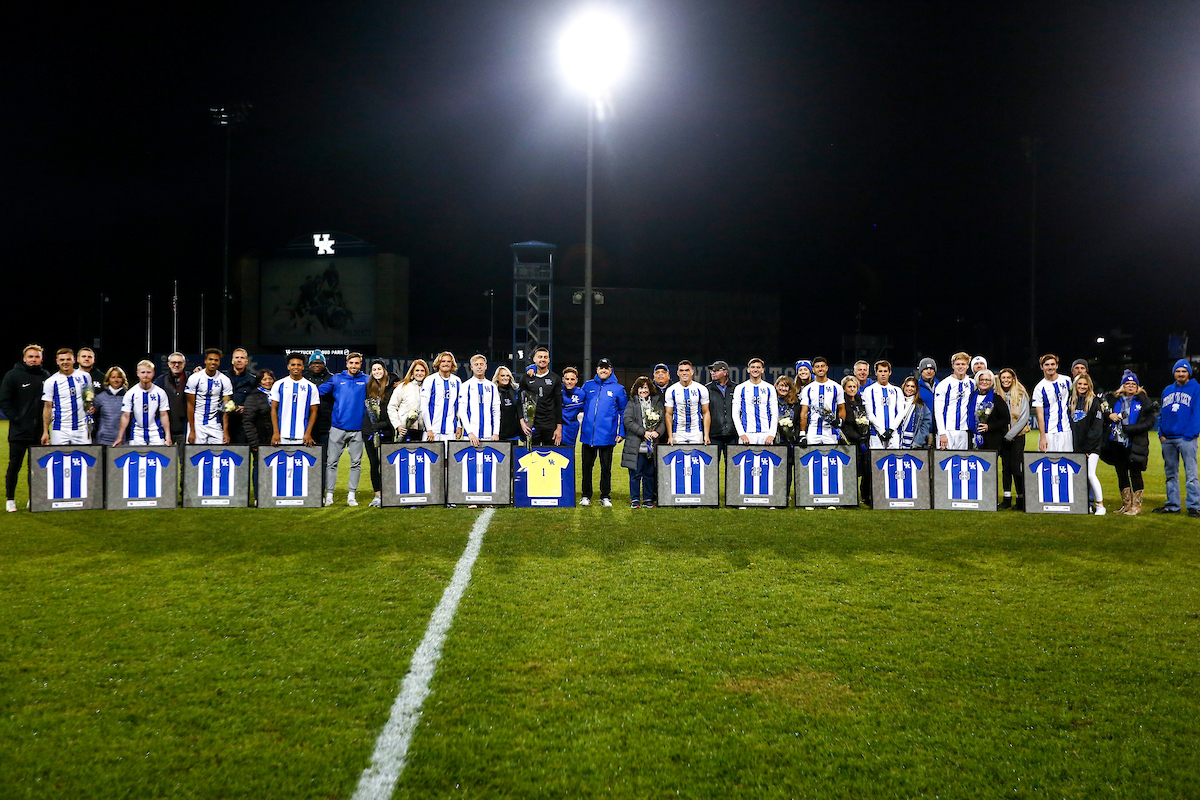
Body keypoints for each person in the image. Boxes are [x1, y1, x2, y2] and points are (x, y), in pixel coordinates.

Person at [0, 344, 49, 512]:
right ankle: (10, 499)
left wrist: (44, 427)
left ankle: (32, 499)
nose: (34, 360)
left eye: (37, 357)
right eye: (31, 357)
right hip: (19, 431)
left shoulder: (46, 376)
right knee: (14, 465)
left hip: (39, 432)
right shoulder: (12, 376)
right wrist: (17, 418)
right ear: (24, 358)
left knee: (35, 468)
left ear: (41, 358)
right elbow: (5, 401)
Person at [1101, 370, 1157, 516]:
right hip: (1116, 442)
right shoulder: (1114, 400)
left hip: (1135, 443)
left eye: (1133, 384)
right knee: (1121, 473)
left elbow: (1150, 422)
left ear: (1137, 386)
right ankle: (1126, 505)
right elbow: (1104, 414)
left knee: (1135, 473)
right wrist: (1109, 415)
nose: (1130, 386)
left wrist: (1129, 429)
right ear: (1122, 386)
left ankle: (1136, 507)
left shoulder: (1144, 401)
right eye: (1127, 383)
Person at [319, 351, 369, 507]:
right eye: (351, 363)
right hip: (337, 427)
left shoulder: (367, 380)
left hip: (358, 429)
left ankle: (351, 496)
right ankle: (329, 496)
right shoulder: (336, 379)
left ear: (361, 364)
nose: (354, 366)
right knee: (332, 463)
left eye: (357, 363)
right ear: (346, 364)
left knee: (356, 464)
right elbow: (317, 391)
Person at [1152, 359, 1200, 516]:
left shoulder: (1196, 388)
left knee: (1191, 475)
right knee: (1170, 474)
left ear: (1189, 373)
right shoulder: (1167, 390)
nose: (1180, 374)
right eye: (1178, 371)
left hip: (1186, 439)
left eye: (1183, 371)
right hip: (1168, 439)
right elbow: (1161, 414)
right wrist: (1161, 433)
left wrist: (1189, 435)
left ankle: (1194, 506)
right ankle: (1173, 505)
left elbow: (1197, 414)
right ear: (1174, 373)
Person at [578, 358, 627, 506]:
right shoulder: (588, 386)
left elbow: (624, 411)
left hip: (607, 436)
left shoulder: (618, 388)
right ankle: (586, 495)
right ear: (597, 370)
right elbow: (576, 402)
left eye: (606, 368)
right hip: (588, 435)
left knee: (606, 468)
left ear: (610, 370)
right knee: (586, 468)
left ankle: (605, 496)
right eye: (601, 368)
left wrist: (622, 431)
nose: (603, 370)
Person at [621, 376, 665, 509]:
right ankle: (635, 500)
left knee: (649, 474)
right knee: (635, 474)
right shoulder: (632, 403)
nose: (643, 390)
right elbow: (628, 421)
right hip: (635, 446)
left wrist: (657, 432)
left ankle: (648, 500)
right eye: (641, 387)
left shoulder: (657, 402)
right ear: (636, 389)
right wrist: (643, 432)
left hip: (651, 446)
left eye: (646, 387)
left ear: (650, 389)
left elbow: (662, 421)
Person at [1068, 372, 1106, 514]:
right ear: (1075, 385)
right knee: (1080, 475)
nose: (1082, 387)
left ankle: (1101, 506)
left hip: (1092, 447)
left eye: (1085, 384)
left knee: (1090, 474)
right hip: (1078, 445)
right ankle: (1085, 504)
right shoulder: (1072, 401)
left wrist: (1088, 448)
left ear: (1089, 386)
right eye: (1080, 384)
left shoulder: (1094, 402)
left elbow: (1096, 428)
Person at [364, 359, 400, 508]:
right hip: (370, 430)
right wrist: (373, 425)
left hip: (387, 428)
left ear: (384, 370)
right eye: (374, 370)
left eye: (379, 369)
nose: (377, 372)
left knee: (387, 463)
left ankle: (389, 492)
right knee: (374, 464)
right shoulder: (369, 386)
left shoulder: (393, 386)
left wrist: (384, 424)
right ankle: (377, 495)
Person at [41, 347, 93, 446]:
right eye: (62, 360)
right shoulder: (51, 381)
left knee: (86, 458)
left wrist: (90, 405)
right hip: (60, 429)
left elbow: (89, 395)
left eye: (68, 359)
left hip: (82, 428)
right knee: (60, 459)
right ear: (57, 361)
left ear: (74, 360)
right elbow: (47, 407)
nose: (65, 362)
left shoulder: (85, 376)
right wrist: (45, 432)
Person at [995, 368, 1031, 510]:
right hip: (1002, 437)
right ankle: (1007, 498)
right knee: (1005, 468)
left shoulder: (1021, 395)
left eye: (1008, 377)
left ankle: (1021, 499)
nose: (1006, 380)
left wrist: (1011, 435)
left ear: (1013, 379)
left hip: (1018, 436)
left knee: (1016, 468)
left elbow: (1024, 418)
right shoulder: (996, 395)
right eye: (1003, 377)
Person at [114, 360, 173, 446]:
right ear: (138, 373)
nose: (145, 375)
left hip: (156, 434)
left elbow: (163, 414)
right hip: (137, 434)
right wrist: (120, 437)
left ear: (153, 374)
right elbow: (125, 415)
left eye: (148, 372)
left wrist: (168, 436)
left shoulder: (160, 393)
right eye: (143, 372)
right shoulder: (131, 393)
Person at [186, 348, 234, 445]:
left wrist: (225, 432)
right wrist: (192, 430)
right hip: (197, 423)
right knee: (195, 454)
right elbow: (190, 405)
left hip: (214, 423)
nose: (213, 362)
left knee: (219, 452)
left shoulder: (224, 380)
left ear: (219, 362)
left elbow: (226, 408)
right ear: (205, 361)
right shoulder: (195, 378)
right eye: (210, 359)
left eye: (216, 360)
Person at [270, 353, 319, 446]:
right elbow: (273, 409)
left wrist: (308, 433)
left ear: (303, 367)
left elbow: (314, 412)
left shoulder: (311, 387)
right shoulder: (279, 384)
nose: (296, 367)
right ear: (288, 367)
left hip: (302, 436)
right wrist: (276, 432)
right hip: (281, 435)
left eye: (299, 365)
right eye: (293, 365)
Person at [517, 347, 562, 446]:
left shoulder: (555, 378)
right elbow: (520, 402)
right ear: (534, 359)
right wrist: (522, 423)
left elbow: (558, 404)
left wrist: (559, 428)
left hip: (549, 423)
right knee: (531, 456)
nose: (543, 359)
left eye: (545, 357)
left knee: (549, 455)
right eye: (540, 357)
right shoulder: (526, 378)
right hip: (532, 424)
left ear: (549, 360)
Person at [798, 357, 845, 446]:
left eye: (822, 366)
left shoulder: (836, 387)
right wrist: (802, 434)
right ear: (813, 370)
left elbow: (842, 408)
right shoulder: (808, 389)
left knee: (831, 456)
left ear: (826, 368)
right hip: (813, 430)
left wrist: (840, 421)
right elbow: (804, 413)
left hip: (830, 431)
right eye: (817, 366)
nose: (820, 369)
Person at [1032, 353, 1074, 453]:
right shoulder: (1039, 388)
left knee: (1066, 463)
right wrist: (1042, 437)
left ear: (1057, 365)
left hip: (1066, 430)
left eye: (1052, 364)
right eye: (1047, 365)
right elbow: (1040, 415)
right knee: (1048, 463)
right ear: (1042, 367)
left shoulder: (1067, 380)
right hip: (1048, 432)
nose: (1050, 367)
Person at [934, 352, 975, 450]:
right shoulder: (944, 384)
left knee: (961, 461)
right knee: (944, 461)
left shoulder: (972, 383)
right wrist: (942, 432)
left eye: (963, 364)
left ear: (967, 366)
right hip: (947, 430)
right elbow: (938, 410)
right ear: (953, 366)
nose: (960, 367)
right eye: (957, 364)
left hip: (964, 430)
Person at [458, 354, 501, 447]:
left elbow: (496, 411)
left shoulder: (492, 386)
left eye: (481, 364)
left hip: (489, 435)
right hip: (470, 436)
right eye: (476, 364)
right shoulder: (466, 386)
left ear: (486, 366)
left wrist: (496, 432)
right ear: (471, 367)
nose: (479, 367)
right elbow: (462, 411)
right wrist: (469, 432)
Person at [665, 360, 710, 445]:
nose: (684, 373)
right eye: (681, 370)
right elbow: (668, 414)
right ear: (678, 373)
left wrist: (706, 435)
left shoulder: (701, 389)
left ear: (692, 372)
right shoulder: (671, 390)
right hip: (678, 431)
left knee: (696, 457)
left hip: (696, 431)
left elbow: (706, 412)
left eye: (687, 370)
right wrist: (670, 436)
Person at [733, 358, 777, 445]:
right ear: (748, 370)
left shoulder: (770, 388)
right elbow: (735, 413)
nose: (755, 370)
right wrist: (741, 433)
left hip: (765, 433)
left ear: (762, 370)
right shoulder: (740, 388)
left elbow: (775, 413)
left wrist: (772, 434)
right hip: (747, 433)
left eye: (758, 367)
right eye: (753, 367)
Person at [841, 375, 870, 504]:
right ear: (844, 388)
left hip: (863, 441)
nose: (852, 389)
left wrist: (864, 434)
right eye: (849, 387)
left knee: (866, 469)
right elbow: (844, 424)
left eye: (854, 387)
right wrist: (857, 436)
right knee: (850, 471)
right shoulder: (842, 403)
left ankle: (865, 496)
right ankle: (849, 497)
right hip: (849, 441)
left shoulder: (861, 401)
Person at [422, 351, 463, 442]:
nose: (446, 364)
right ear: (438, 363)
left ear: (452, 364)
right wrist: (429, 429)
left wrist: (459, 426)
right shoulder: (430, 380)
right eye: (443, 361)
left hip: (450, 431)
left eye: (449, 361)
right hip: (432, 430)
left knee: (449, 456)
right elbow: (424, 407)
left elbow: (459, 407)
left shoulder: (457, 381)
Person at [863, 360, 903, 449]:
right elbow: (870, 414)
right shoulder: (869, 390)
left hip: (894, 434)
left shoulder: (897, 391)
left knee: (893, 460)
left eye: (885, 371)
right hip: (876, 433)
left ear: (890, 373)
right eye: (880, 371)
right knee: (876, 461)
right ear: (876, 373)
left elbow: (900, 413)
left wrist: (891, 430)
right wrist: (881, 431)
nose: (883, 374)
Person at [387, 359, 429, 442]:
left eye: (422, 371)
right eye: (417, 370)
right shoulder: (403, 386)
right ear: (412, 372)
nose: (419, 373)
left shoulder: (429, 388)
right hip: (405, 431)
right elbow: (391, 407)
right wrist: (398, 426)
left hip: (423, 432)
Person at [968, 369, 1010, 452]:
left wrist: (989, 426)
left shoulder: (997, 398)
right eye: (981, 379)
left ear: (991, 382)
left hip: (992, 439)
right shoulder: (971, 396)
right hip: (971, 437)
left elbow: (1006, 419)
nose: (984, 382)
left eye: (987, 380)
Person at [154, 352, 188, 445]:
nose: (176, 365)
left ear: (184, 364)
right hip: (166, 428)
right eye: (173, 362)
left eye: (179, 363)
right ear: (168, 364)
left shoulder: (190, 378)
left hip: (185, 428)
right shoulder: (160, 381)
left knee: (184, 458)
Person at [303, 350, 334, 449]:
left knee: (324, 454)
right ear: (309, 364)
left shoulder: (331, 378)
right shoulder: (302, 378)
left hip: (325, 423)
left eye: (320, 363)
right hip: (306, 423)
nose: (317, 365)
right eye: (314, 363)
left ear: (324, 364)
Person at [225, 347, 256, 444]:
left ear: (246, 361)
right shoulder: (223, 378)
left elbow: (256, 401)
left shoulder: (252, 381)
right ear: (232, 361)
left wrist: (246, 407)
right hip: (225, 421)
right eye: (237, 357)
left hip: (243, 423)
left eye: (242, 358)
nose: (239, 360)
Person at [92, 366, 128, 448]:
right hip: (103, 440)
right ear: (108, 379)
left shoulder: (128, 397)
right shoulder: (100, 398)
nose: (116, 380)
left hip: (123, 440)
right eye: (113, 377)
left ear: (123, 379)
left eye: (119, 377)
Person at [705, 360, 737, 452]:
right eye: (712, 371)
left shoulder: (736, 388)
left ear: (725, 372)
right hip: (714, 434)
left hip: (732, 434)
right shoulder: (707, 389)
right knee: (713, 465)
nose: (713, 373)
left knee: (732, 465)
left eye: (716, 371)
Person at [241, 368, 276, 446]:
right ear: (259, 382)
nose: (268, 381)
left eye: (270, 378)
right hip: (261, 440)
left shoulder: (279, 395)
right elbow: (248, 422)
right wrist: (254, 442)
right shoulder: (253, 397)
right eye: (264, 379)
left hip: (277, 438)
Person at [895, 375, 931, 449]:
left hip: (914, 444)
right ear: (904, 387)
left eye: (912, 386)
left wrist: (918, 442)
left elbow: (926, 425)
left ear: (916, 389)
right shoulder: (897, 402)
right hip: (897, 441)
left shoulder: (921, 405)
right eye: (907, 386)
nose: (910, 388)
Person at [492, 366, 523, 441]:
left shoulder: (516, 391)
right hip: (498, 434)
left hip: (513, 435)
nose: (505, 378)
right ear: (497, 377)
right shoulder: (492, 392)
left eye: (507, 375)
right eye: (502, 375)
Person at [560, 366, 587, 448]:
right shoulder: (557, 390)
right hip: (556, 429)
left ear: (576, 380)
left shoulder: (581, 394)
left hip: (570, 431)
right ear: (563, 380)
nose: (569, 382)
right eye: (567, 379)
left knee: (568, 457)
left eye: (572, 379)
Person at [774, 375, 799, 444]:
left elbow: (797, 422)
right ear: (776, 387)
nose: (783, 388)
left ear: (789, 388)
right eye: (781, 385)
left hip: (790, 441)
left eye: (786, 386)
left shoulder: (794, 403)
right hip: (774, 439)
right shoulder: (771, 402)